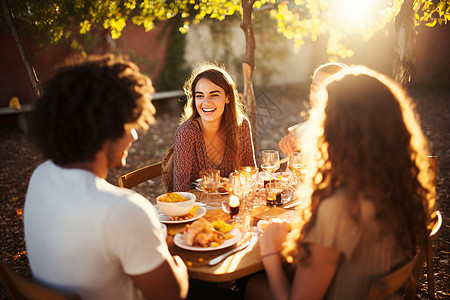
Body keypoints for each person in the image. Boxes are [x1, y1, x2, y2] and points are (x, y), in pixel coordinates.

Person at [247, 66, 435, 300]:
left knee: (250, 283)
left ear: (338, 130)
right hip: (369, 288)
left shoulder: (339, 206)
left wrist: (268, 252)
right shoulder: (397, 186)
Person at [24, 54, 189, 300]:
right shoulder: (123, 209)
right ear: (105, 128)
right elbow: (172, 295)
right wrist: (178, 265)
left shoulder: (41, 176)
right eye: (128, 125)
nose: (134, 136)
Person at [172, 63, 256, 192]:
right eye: (200, 96)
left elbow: (250, 174)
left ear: (228, 97)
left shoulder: (241, 125)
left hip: (234, 205)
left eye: (214, 95)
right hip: (198, 209)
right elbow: (181, 190)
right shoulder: (187, 132)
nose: (206, 102)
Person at [278, 62, 347, 155]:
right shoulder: (315, 125)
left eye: (324, 90)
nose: (315, 96)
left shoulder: (350, 134)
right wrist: (294, 139)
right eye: (314, 89)